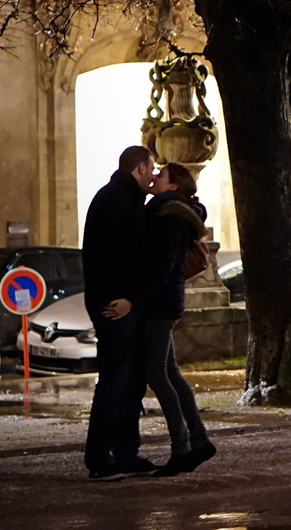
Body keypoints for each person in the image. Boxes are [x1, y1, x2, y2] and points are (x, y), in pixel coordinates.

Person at [81, 145, 159, 481]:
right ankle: (102, 456)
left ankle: (122, 453)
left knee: (125, 381)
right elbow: (123, 260)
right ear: (140, 168)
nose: (154, 175)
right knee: (116, 381)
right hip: (116, 307)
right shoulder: (121, 203)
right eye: (152, 169)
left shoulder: (115, 198)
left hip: (114, 303)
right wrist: (128, 299)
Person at [142, 161, 216, 477]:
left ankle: (183, 448)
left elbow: (165, 264)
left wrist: (138, 298)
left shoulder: (170, 216)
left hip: (160, 304)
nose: (155, 177)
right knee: (170, 373)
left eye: (162, 175)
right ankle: (197, 439)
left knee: (157, 375)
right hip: (166, 302)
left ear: (173, 186)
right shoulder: (174, 212)